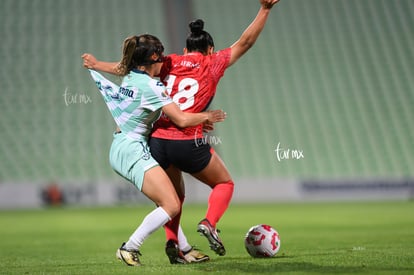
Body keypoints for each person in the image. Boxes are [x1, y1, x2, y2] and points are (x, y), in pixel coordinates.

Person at [82, 0, 281, 259]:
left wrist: (98, 65)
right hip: (186, 140)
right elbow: (244, 43)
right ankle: (209, 222)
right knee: (224, 183)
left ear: (185, 48)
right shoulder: (213, 62)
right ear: (210, 49)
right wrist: (264, 10)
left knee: (174, 198)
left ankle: (176, 245)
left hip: (157, 141)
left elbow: (128, 68)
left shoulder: (169, 62)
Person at [85, 34, 226, 266]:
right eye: (161, 56)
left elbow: (120, 68)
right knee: (171, 204)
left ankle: (185, 249)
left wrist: (97, 64)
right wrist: (207, 116)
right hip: (131, 149)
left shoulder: (133, 75)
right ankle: (129, 247)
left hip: (125, 146)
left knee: (169, 202)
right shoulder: (151, 85)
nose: (165, 61)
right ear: (153, 57)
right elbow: (180, 119)